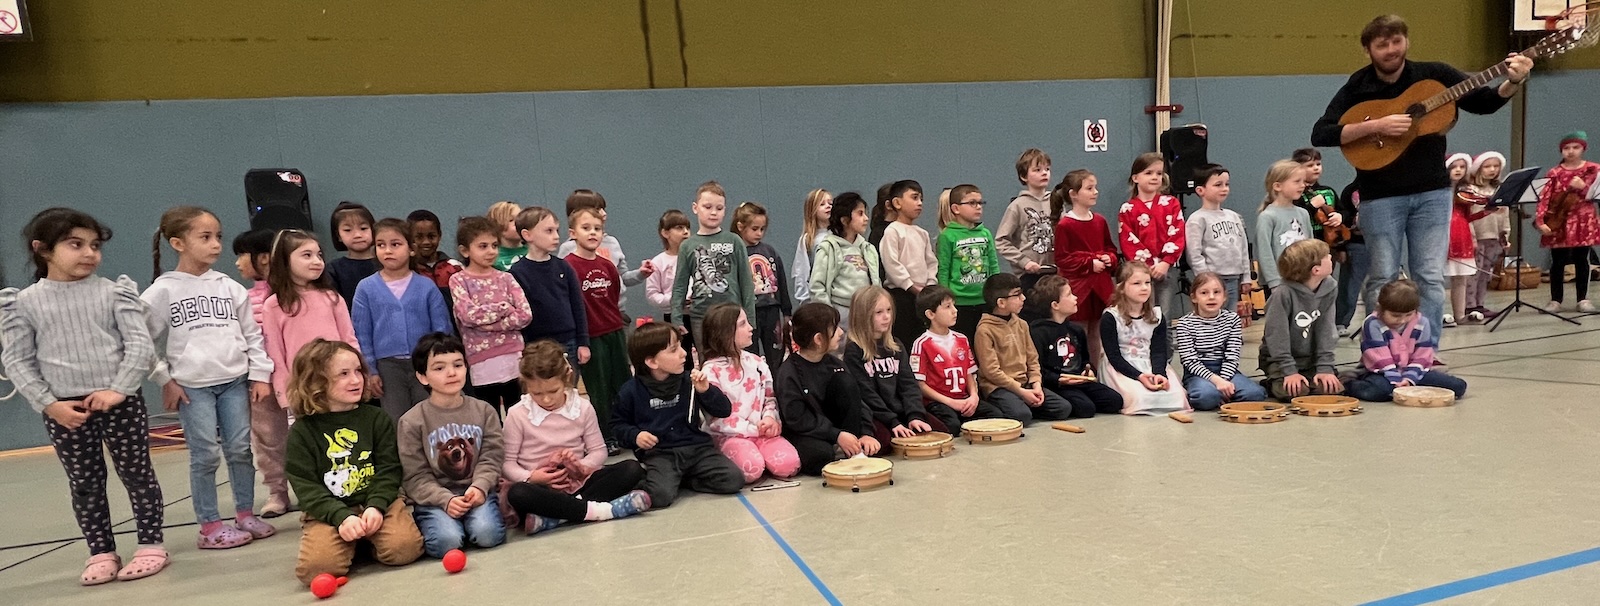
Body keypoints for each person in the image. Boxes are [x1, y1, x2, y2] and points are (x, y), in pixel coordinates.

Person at [1311, 13, 1531, 333]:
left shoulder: (1435, 75)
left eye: (1397, 41)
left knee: (1429, 274)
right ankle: (1381, 347)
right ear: (1368, 50)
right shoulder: (1358, 86)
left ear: (1407, 41)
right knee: (1383, 275)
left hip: (1432, 193)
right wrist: (1376, 126)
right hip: (1380, 195)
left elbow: (1483, 102)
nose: (1391, 50)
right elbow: (1321, 133)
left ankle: (1425, 349)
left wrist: (1514, 81)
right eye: (1382, 44)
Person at [1, 208, 167, 585]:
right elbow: (18, 361)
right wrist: (50, 404)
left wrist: (117, 390)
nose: (89, 254)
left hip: (118, 401)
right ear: (42, 249)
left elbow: (139, 346)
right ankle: (101, 551)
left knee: (137, 474)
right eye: (76, 245)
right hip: (64, 408)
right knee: (85, 482)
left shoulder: (114, 293)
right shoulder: (23, 303)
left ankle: (151, 544)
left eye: (94, 246)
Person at [145, 206, 276, 550]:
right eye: (205, 237)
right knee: (204, 455)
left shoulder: (229, 287)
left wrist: (259, 375)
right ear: (178, 243)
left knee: (239, 450)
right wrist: (165, 379)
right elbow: (138, 339)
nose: (216, 244)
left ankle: (246, 513)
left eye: (217, 236)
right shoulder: (163, 291)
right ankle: (209, 525)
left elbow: (252, 335)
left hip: (234, 381)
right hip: (192, 387)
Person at [285, 339, 422, 585]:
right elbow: (306, 487)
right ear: (316, 382)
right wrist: (341, 517)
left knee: (404, 550)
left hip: (377, 504)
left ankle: (362, 540)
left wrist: (376, 506)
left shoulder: (376, 419)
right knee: (317, 571)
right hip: (328, 512)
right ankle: (352, 540)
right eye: (344, 374)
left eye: (359, 371)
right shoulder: (302, 432)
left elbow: (389, 469)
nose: (357, 380)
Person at [503, 340, 650, 533]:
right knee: (518, 493)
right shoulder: (517, 414)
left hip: (579, 483)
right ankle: (603, 510)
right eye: (537, 393)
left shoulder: (582, 407)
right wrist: (532, 477)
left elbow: (598, 450)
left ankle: (558, 517)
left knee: (632, 468)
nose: (546, 399)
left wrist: (582, 466)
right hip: (541, 489)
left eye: (553, 391)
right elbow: (507, 464)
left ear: (567, 377)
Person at [611, 322, 744, 508]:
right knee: (660, 497)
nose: (683, 353)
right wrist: (635, 435)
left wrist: (706, 391)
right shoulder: (630, 391)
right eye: (674, 350)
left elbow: (723, 410)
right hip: (661, 454)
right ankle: (665, 479)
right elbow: (618, 426)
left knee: (733, 480)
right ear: (652, 362)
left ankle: (683, 479)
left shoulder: (690, 381)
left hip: (698, 450)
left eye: (681, 346)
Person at [397, 333, 506, 558]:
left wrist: (480, 487)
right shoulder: (411, 421)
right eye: (439, 368)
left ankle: (470, 522)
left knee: (488, 535)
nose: (451, 372)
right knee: (446, 542)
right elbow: (415, 475)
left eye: (458, 364)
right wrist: (444, 500)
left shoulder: (484, 410)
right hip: (434, 499)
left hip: (476, 491)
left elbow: (492, 457)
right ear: (422, 376)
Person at [352, 218, 454, 420]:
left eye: (395, 244)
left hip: (424, 363)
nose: (387, 251)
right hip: (388, 367)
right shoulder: (366, 288)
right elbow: (362, 334)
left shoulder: (426, 286)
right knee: (396, 419)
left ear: (412, 249)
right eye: (381, 245)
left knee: (428, 417)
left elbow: (442, 329)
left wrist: (440, 363)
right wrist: (370, 371)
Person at [699, 303, 800, 484]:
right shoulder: (710, 371)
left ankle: (760, 451)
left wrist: (770, 419)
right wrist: (753, 430)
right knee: (751, 468)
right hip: (729, 435)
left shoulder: (756, 362)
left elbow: (770, 397)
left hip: (761, 432)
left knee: (789, 465)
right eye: (743, 324)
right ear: (725, 332)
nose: (751, 328)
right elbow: (717, 419)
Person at [262, 229, 361, 410]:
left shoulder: (333, 298)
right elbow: (276, 355)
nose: (317, 261)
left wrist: (357, 374)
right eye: (307, 255)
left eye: (319, 255)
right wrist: (285, 396)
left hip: (338, 385)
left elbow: (349, 340)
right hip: (302, 391)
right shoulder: (274, 305)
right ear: (285, 260)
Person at [776, 303, 880, 474]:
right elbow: (798, 419)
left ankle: (852, 446)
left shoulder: (836, 365)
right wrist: (835, 435)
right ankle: (843, 447)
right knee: (820, 457)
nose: (840, 332)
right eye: (835, 328)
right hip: (807, 432)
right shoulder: (789, 373)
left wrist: (865, 432)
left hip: (837, 430)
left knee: (846, 382)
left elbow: (857, 402)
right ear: (818, 339)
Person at [232, 227, 293, 516]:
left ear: (265, 259)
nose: (237, 263)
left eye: (242, 255)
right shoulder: (242, 298)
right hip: (262, 382)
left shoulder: (293, 293)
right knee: (268, 438)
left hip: (297, 377)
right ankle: (277, 492)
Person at [843, 286, 949, 445]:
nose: (886, 317)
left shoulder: (896, 346)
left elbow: (909, 384)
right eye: (878, 313)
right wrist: (893, 422)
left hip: (900, 410)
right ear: (863, 315)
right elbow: (866, 393)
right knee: (884, 444)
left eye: (889, 310)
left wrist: (915, 415)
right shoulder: (854, 351)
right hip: (876, 413)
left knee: (942, 431)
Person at [450, 216, 532, 416]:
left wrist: (487, 325)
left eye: (494, 245)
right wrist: (504, 308)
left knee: (518, 412)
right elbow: (468, 315)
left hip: (513, 355)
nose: (491, 251)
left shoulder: (506, 278)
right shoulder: (459, 280)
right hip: (481, 360)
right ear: (465, 251)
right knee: (489, 414)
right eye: (483, 246)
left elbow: (525, 315)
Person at [564, 207, 630, 450]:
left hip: (614, 331)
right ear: (572, 233)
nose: (593, 233)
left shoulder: (607, 265)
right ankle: (606, 435)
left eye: (597, 229)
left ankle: (626, 431)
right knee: (599, 389)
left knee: (622, 384)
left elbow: (613, 295)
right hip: (590, 336)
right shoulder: (568, 266)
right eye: (586, 228)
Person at [974, 273, 1074, 423]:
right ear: (1001, 303)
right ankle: (1018, 405)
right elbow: (991, 372)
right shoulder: (985, 330)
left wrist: (1036, 384)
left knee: (1063, 408)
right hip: (999, 387)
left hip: (1025, 384)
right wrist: (1021, 392)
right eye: (1017, 295)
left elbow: (1033, 359)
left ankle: (1025, 403)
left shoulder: (1022, 324)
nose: (1023, 298)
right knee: (1022, 416)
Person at [1347, 280, 1468, 402]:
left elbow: (1423, 355)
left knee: (1458, 387)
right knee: (1378, 391)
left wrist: (1410, 378)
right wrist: (1396, 380)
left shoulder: (1422, 322)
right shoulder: (1372, 324)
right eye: (1395, 316)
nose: (1402, 320)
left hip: (1413, 371)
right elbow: (1379, 358)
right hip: (1380, 372)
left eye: (1408, 314)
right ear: (1380, 308)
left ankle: (1405, 386)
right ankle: (1350, 384)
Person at [911, 285, 1008, 433]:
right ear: (930, 314)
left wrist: (974, 397)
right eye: (947, 307)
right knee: (952, 427)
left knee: (996, 415)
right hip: (939, 402)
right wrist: (951, 402)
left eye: (954, 305)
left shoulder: (961, 339)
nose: (955, 311)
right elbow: (920, 385)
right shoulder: (922, 343)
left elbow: (969, 373)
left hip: (964, 398)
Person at [673, 181, 757, 348]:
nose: (713, 213)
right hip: (701, 316)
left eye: (719, 208)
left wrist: (750, 318)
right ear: (695, 208)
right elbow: (680, 285)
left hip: (732, 314)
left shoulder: (734, 241)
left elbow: (746, 282)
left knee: (735, 358)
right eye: (708, 207)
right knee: (708, 362)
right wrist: (676, 317)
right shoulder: (687, 246)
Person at [1097, 262, 1188, 415]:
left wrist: (1160, 374)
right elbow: (1114, 356)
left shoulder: (1157, 316)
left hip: (1150, 364)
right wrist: (1139, 377)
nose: (1144, 288)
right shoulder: (1111, 317)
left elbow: (1158, 352)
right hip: (1122, 367)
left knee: (1176, 396)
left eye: (1147, 283)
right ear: (1121, 288)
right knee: (1141, 397)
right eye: (1137, 283)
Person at [1259, 239, 1344, 400]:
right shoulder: (1282, 294)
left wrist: (1325, 367)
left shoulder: (1330, 286)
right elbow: (1276, 337)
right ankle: (1272, 381)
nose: (1331, 258)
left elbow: (1327, 329)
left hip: (1311, 360)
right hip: (1281, 360)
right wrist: (1289, 372)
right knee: (1293, 392)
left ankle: (1311, 377)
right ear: (1316, 270)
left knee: (1331, 389)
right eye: (1326, 256)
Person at [1027, 276, 1123, 417]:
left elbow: (1084, 360)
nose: (1075, 298)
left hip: (1078, 381)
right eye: (1069, 295)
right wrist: (1058, 379)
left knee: (1115, 401)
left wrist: (1087, 370)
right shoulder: (1038, 332)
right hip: (1058, 384)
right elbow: (1037, 368)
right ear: (1055, 305)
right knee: (1086, 409)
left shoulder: (1075, 330)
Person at [1051, 169, 1119, 367]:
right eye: (1089, 188)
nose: (1095, 192)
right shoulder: (1066, 225)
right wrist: (1089, 263)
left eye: (1095, 187)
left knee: (1097, 332)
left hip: (1100, 286)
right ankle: (1078, 369)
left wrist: (1109, 258)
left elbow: (1110, 248)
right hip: (1079, 288)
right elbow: (1063, 259)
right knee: (1077, 331)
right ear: (1073, 194)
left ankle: (1096, 372)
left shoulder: (1100, 221)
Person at [509, 206, 589, 371]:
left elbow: (577, 305)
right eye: (549, 231)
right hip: (536, 345)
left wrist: (583, 342)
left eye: (557, 231)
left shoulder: (563, 267)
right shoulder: (517, 273)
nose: (556, 236)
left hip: (568, 342)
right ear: (527, 235)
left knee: (568, 388)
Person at [1174, 272, 1267, 411]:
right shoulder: (1185, 323)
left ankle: (1222, 395)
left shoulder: (1232, 319)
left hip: (1227, 369)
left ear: (1224, 296)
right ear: (1194, 297)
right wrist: (1217, 381)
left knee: (1256, 394)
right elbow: (1190, 361)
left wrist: (1224, 381)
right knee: (1205, 398)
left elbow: (1232, 355)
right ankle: (1215, 394)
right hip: (1198, 372)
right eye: (1204, 293)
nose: (1211, 297)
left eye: (1216, 292)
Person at [1535, 131, 1600, 313]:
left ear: (1583, 148)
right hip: (1559, 220)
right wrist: (1541, 220)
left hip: (1583, 219)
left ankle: (1583, 299)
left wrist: (1584, 187)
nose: (1571, 151)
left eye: (1575, 147)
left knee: (1582, 259)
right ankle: (1555, 300)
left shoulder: (1594, 169)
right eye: (1566, 148)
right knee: (1558, 260)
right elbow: (1545, 198)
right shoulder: (1554, 172)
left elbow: (1596, 194)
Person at [558, 189, 652, 313]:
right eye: (597, 209)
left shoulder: (612, 243)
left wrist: (641, 274)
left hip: (616, 311)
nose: (603, 213)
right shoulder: (568, 248)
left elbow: (622, 278)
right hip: (585, 313)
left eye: (604, 209)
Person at [1119, 152, 1187, 312]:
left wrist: (1165, 262)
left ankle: (1164, 339)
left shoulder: (1171, 203)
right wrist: (1147, 265)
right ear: (1135, 178)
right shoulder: (1128, 209)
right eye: (1148, 173)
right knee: (1143, 314)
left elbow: (1177, 233)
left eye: (1158, 173)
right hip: (1140, 272)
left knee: (1163, 316)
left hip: (1166, 268)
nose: (1154, 177)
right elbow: (1128, 239)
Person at [733, 202, 794, 373]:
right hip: (748, 312)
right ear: (740, 226)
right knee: (750, 354)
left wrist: (787, 312)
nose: (759, 233)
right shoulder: (736, 253)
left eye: (762, 229)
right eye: (754, 229)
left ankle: (776, 389)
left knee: (776, 353)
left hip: (772, 311)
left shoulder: (769, 251)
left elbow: (781, 281)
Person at [878, 180, 939, 348]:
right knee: (903, 338)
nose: (919, 203)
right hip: (901, 295)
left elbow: (931, 262)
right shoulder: (892, 231)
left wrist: (930, 285)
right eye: (914, 198)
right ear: (897, 203)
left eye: (921, 199)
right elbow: (892, 264)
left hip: (923, 295)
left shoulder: (922, 233)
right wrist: (910, 285)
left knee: (921, 337)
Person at [937, 184, 1003, 339]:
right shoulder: (947, 235)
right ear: (955, 208)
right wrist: (946, 299)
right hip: (959, 302)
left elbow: (993, 264)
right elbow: (944, 269)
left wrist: (998, 293)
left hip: (984, 299)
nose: (978, 207)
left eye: (980, 203)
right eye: (972, 203)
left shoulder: (985, 233)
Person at [1186, 164, 1252, 311]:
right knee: (1212, 317)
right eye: (1218, 185)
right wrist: (1205, 278)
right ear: (1200, 190)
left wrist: (1246, 277)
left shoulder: (1234, 216)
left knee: (1230, 317)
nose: (1224, 188)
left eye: (1227, 184)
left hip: (1234, 278)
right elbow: (1194, 253)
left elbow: (1243, 249)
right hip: (1213, 280)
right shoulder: (1197, 219)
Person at [810, 191, 882, 325]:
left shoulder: (868, 249)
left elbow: (876, 281)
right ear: (844, 220)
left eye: (865, 213)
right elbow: (817, 286)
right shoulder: (828, 248)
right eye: (860, 214)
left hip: (867, 314)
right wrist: (830, 317)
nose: (866, 218)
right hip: (841, 315)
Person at [997, 148, 1058, 291]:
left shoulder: (1056, 201)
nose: (1044, 173)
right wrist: (1024, 262)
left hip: (1054, 272)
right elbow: (1001, 241)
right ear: (1024, 176)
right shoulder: (1017, 206)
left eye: (1047, 169)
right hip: (1029, 275)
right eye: (1037, 170)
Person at [1254, 159, 1314, 292]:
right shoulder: (1267, 216)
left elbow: (1311, 246)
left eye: (1303, 181)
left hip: (1302, 279)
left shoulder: (1303, 213)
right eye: (1296, 181)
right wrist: (1274, 281)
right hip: (1279, 282)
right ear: (1277, 186)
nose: (1302, 185)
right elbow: (1264, 252)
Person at [1465, 152, 1508, 322]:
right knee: (1473, 272)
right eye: (1488, 166)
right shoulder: (1470, 190)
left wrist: (1505, 234)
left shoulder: (1499, 190)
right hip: (1477, 236)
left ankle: (1480, 304)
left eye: (1495, 166)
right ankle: (1468, 305)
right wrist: (1472, 236)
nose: (1492, 170)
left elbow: (1504, 216)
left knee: (1485, 273)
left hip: (1493, 236)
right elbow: (1467, 215)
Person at [645, 209, 693, 352]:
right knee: (682, 354)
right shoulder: (658, 262)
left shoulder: (696, 257)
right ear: (665, 233)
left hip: (698, 314)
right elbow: (652, 295)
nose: (686, 232)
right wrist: (674, 300)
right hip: (673, 316)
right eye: (679, 228)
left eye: (687, 228)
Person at [1444, 153, 1480, 326]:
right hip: (1444, 236)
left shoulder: (1465, 192)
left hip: (1461, 236)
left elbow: (1469, 217)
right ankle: (1439, 314)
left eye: (1462, 167)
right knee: (1436, 279)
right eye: (1453, 167)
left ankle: (1459, 315)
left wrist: (1488, 210)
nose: (1458, 170)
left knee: (1461, 279)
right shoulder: (1440, 191)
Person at [326, 201, 380, 310]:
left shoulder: (385, 262)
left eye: (363, 228)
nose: (357, 235)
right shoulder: (333, 269)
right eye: (348, 230)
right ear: (339, 236)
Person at [1291, 148, 1346, 245]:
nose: (1316, 168)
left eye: (1318, 164)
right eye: (1310, 165)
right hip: (1306, 242)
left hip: (1330, 241)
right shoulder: (1296, 193)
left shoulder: (1328, 191)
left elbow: (1343, 211)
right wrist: (1312, 206)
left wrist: (1340, 216)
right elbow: (1295, 218)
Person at [407, 209, 463, 296]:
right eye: (419, 237)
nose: (426, 242)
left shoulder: (455, 268)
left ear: (439, 235)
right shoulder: (407, 271)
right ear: (409, 238)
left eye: (431, 236)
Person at [792, 189, 833, 304]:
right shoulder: (808, 239)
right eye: (822, 204)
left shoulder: (839, 236)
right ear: (812, 210)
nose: (828, 206)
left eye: (830, 203)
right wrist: (805, 301)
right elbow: (802, 273)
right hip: (817, 300)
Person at [487, 200, 526, 271]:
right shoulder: (493, 257)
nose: (519, 223)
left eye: (520, 219)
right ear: (497, 227)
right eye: (511, 220)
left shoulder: (534, 251)